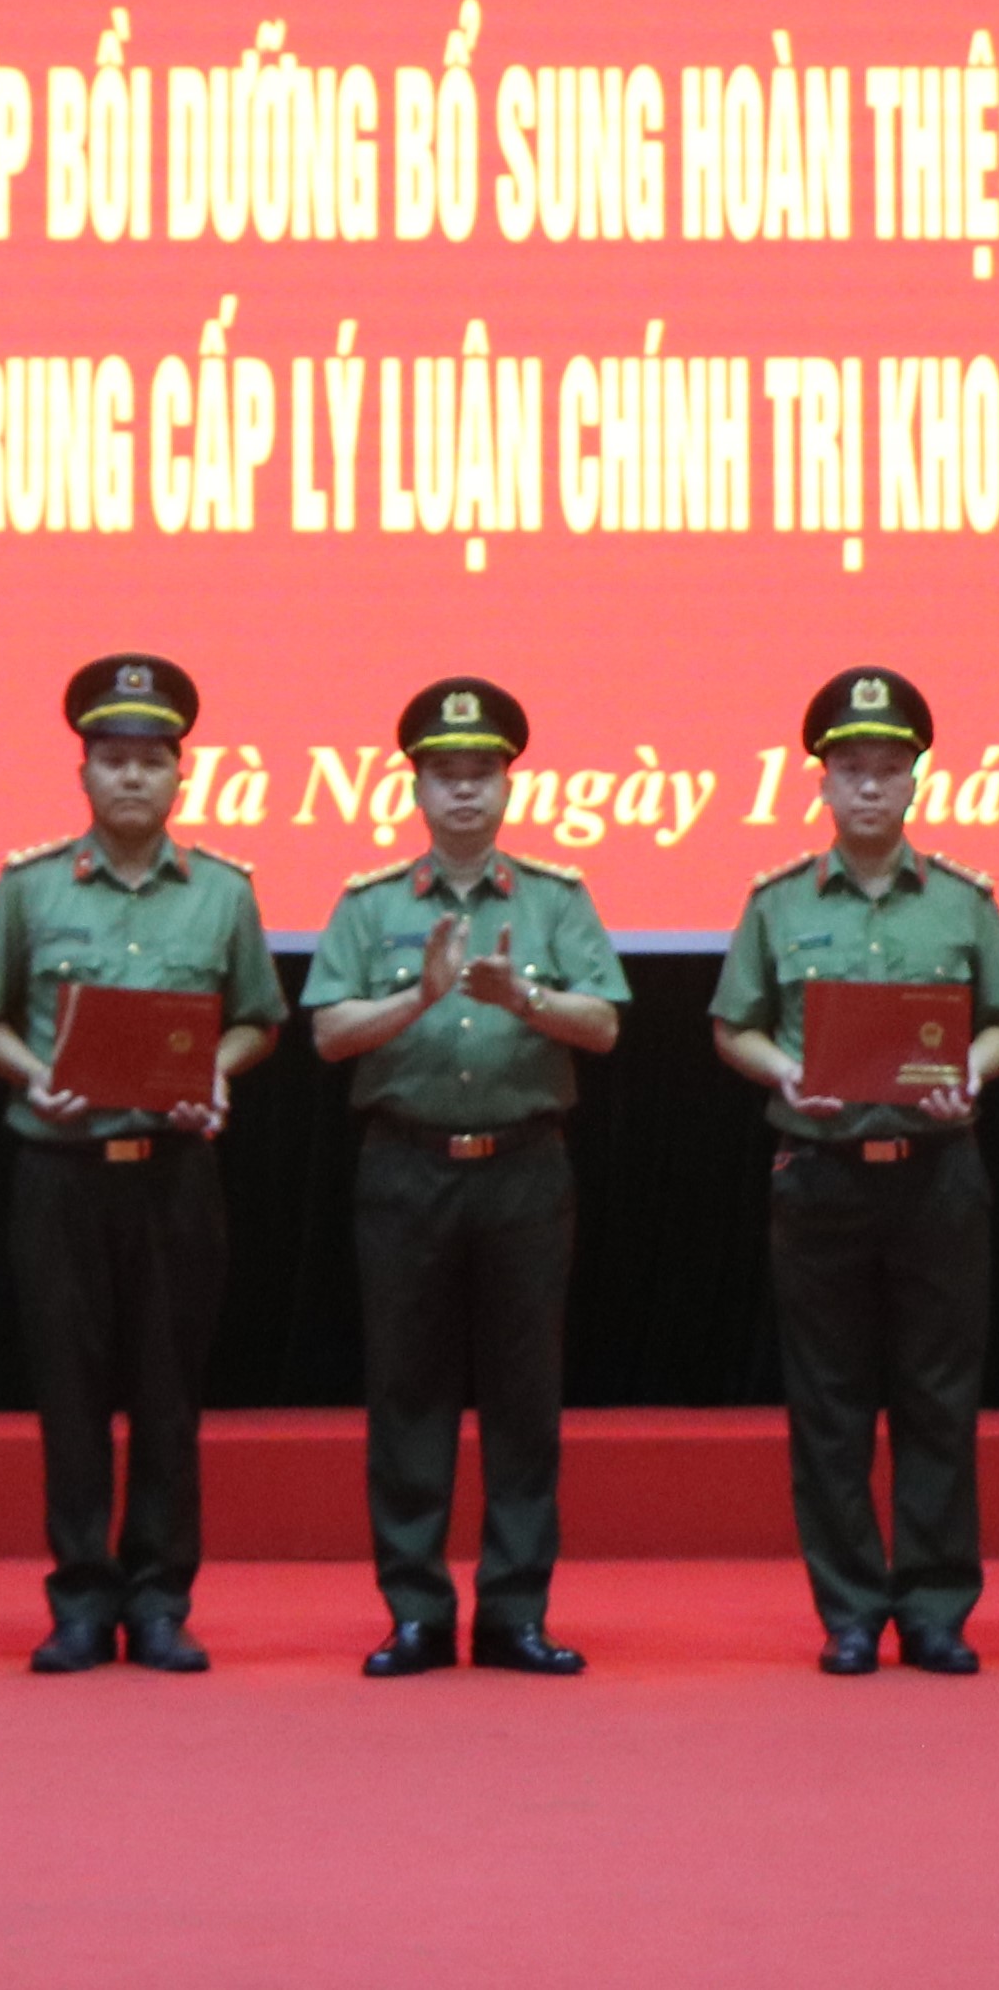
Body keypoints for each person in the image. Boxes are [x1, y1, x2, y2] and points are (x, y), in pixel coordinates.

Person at [0, 654, 285, 1675]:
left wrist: (218, 1069)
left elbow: (258, 1019)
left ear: (181, 773)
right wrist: (34, 1074)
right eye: (112, 759)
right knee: (71, 1396)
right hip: (62, 1173)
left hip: (174, 1175)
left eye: (151, 760)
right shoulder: (30, 886)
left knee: (168, 1397)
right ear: (84, 772)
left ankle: (160, 1600)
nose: (132, 776)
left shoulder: (222, 892)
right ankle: (80, 1601)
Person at [301, 675, 626, 1677]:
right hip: (407, 1169)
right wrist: (420, 996)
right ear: (416, 787)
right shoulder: (370, 904)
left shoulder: (555, 899)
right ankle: (416, 1613)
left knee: (525, 1399)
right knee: (409, 1395)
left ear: (507, 784)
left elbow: (604, 1025)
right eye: (445, 774)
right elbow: (328, 1034)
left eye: (482, 772)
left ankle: (514, 1613)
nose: (465, 791)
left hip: (523, 1171)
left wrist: (524, 997)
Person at [711, 666, 999, 1676]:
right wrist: (782, 1072)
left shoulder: (963, 902)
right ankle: (849, 1610)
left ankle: (935, 1608)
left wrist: (971, 1070)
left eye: (887, 768)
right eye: (850, 768)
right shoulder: (777, 903)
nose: (868, 786)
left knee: (939, 1397)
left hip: (937, 1173)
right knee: (830, 1404)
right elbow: (733, 1025)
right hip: (822, 1174)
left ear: (914, 780)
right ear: (822, 781)